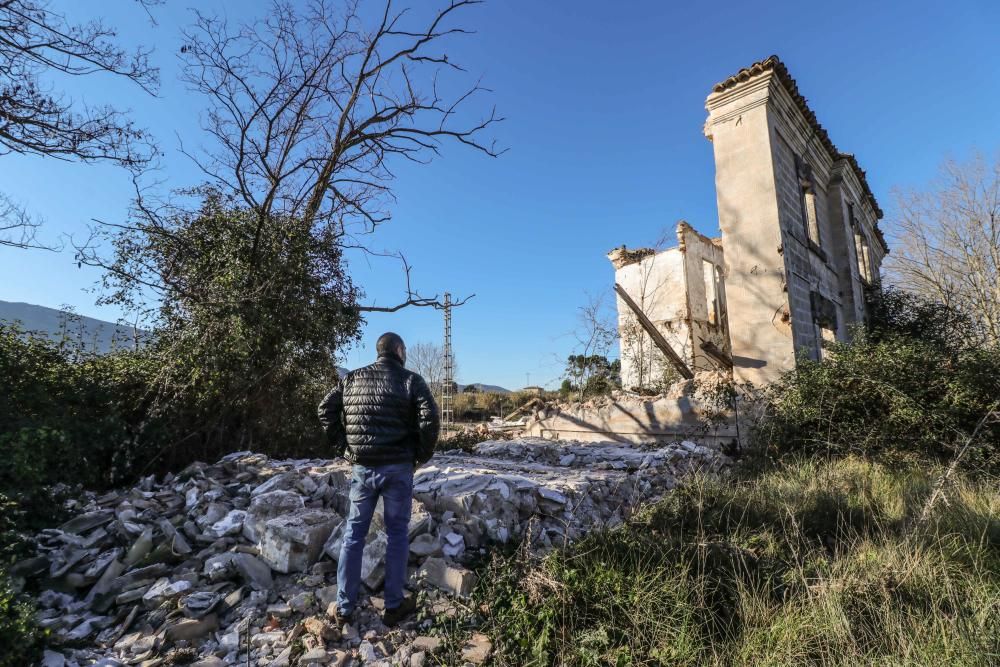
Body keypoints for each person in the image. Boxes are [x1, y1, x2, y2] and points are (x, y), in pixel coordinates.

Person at [317, 332, 439, 626]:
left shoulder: (352, 379)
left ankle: (345, 608)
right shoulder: (411, 381)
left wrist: (345, 449)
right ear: (398, 350)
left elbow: (325, 409)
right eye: (405, 349)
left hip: (363, 468)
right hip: (398, 469)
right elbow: (430, 419)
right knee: (397, 535)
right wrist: (419, 456)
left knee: (353, 535)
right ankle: (393, 605)